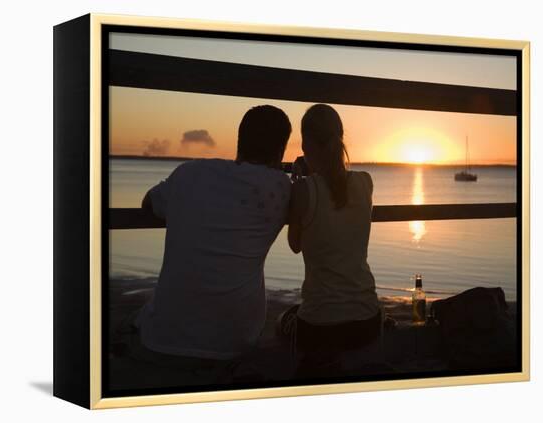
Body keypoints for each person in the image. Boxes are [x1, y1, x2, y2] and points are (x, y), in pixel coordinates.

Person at [132, 105, 292, 380]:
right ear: (281, 150)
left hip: (161, 339)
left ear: (240, 140)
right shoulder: (282, 188)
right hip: (236, 342)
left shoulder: (189, 173)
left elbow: (149, 203)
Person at [280, 103, 381, 377]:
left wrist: (302, 182)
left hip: (321, 326)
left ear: (306, 144)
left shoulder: (303, 189)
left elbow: (295, 245)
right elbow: (333, 189)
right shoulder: (365, 182)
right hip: (368, 320)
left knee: (284, 323)